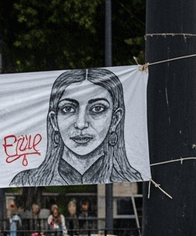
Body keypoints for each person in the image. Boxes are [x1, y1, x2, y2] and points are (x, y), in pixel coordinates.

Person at [11, 68, 142, 187]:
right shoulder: (26, 180)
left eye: (97, 109)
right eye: (68, 109)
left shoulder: (130, 178)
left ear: (115, 119)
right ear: (53, 120)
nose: (81, 124)